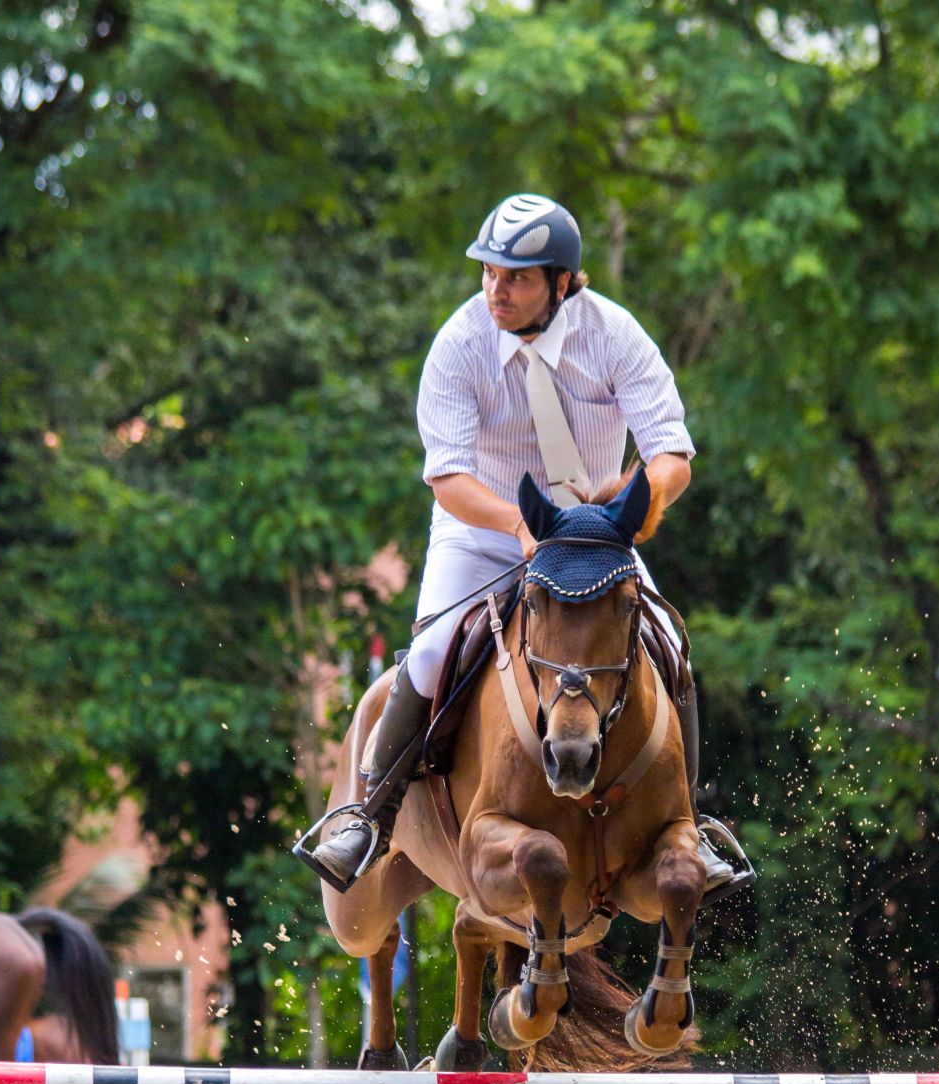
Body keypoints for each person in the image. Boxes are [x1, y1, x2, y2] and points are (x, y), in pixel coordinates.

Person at [313, 192, 732, 896]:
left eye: (516, 277)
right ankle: (370, 816)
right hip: (484, 529)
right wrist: (518, 525)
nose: (495, 290)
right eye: (489, 273)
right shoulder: (460, 343)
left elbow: (671, 453)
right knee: (433, 650)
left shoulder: (614, 333)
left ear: (561, 283)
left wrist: (634, 509)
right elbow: (446, 476)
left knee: (669, 642)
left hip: (594, 540)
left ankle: (696, 819)